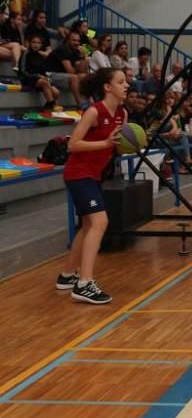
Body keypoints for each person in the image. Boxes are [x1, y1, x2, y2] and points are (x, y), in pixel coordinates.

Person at [55, 68, 127, 304]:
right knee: (100, 221)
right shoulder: (94, 112)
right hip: (78, 174)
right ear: (108, 87)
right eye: (121, 81)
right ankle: (84, 284)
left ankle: (67, 276)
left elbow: (116, 145)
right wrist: (106, 142)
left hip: (94, 174)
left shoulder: (122, 114)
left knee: (87, 226)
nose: (126, 85)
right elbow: (72, 145)